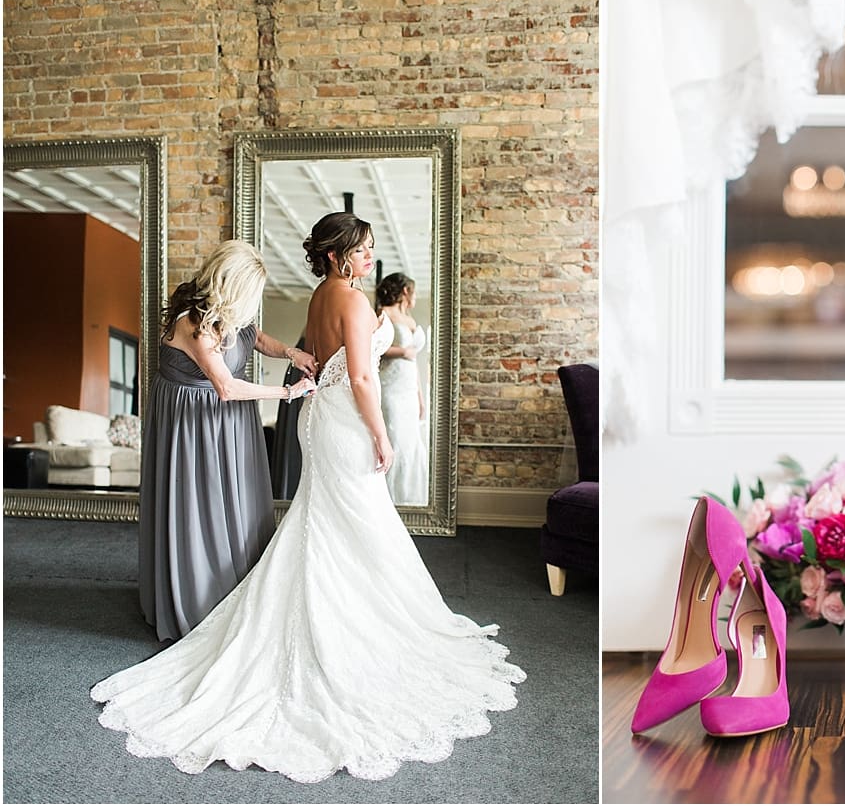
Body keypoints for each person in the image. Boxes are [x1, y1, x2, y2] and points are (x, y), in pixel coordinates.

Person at [92, 212, 525, 782]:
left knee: (326, 520)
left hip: (320, 416)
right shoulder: (349, 300)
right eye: (365, 249)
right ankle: (361, 626)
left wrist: (303, 371)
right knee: (360, 522)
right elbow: (364, 379)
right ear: (340, 254)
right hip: (345, 420)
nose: (372, 256)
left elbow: (285, 346)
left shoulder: (324, 293)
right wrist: (381, 433)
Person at [140, 240, 318, 642]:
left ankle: (241, 584)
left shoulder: (228, 317)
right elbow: (226, 387)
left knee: (237, 501)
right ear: (232, 287)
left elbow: (255, 338)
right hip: (193, 421)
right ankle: (200, 596)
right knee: (199, 503)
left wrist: (292, 352)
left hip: (228, 422)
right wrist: (288, 394)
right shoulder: (193, 323)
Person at [377, 272, 429, 505]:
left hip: (409, 388)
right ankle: (389, 501)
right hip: (390, 387)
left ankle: (411, 500)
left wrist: (420, 396)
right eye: (414, 291)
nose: (415, 296)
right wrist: (402, 351)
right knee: (395, 440)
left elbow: (414, 362)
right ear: (406, 291)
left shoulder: (410, 320)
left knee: (410, 442)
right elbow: (371, 347)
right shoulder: (383, 313)